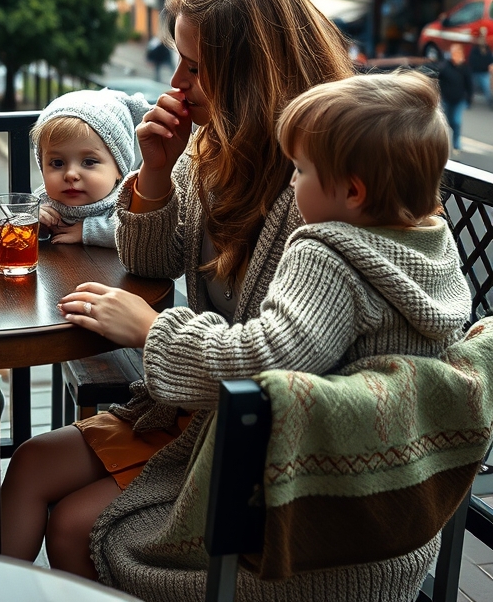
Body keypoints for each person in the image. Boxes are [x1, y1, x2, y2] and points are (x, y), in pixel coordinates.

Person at [0, 0, 355, 580]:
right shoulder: (216, 148)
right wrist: (157, 173)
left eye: (194, 66)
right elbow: (154, 260)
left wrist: (149, 330)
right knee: (30, 462)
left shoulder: (325, 185)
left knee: (73, 522)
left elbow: (282, 363)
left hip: (283, 449)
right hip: (207, 407)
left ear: (249, 75)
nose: (176, 82)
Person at [78, 70, 470, 601]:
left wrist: (154, 332)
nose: (291, 183)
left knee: (94, 534)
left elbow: (260, 364)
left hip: (293, 528)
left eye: (302, 171)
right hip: (382, 516)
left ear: (353, 191)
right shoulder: (430, 247)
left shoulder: (328, 253)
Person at [32, 89, 151, 247]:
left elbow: (138, 231)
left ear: (119, 169)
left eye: (89, 162)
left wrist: (87, 231)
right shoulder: (43, 201)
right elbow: (14, 226)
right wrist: (33, 220)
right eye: (58, 163)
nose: (71, 175)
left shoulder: (129, 199)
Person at [437, 42, 472, 153]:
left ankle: (456, 145)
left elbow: (469, 84)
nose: (454, 55)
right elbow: (439, 81)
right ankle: (443, 145)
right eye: (453, 53)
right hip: (446, 99)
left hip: (459, 99)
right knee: (445, 122)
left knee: (456, 121)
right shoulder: (445, 66)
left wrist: (469, 99)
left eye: (457, 53)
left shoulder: (465, 68)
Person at [470, 28, 493, 106]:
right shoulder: (475, 48)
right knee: (471, 88)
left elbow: (490, 59)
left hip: (484, 72)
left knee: (487, 89)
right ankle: (469, 101)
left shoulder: (487, 48)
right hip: (475, 72)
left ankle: (491, 102)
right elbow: (472, 60)